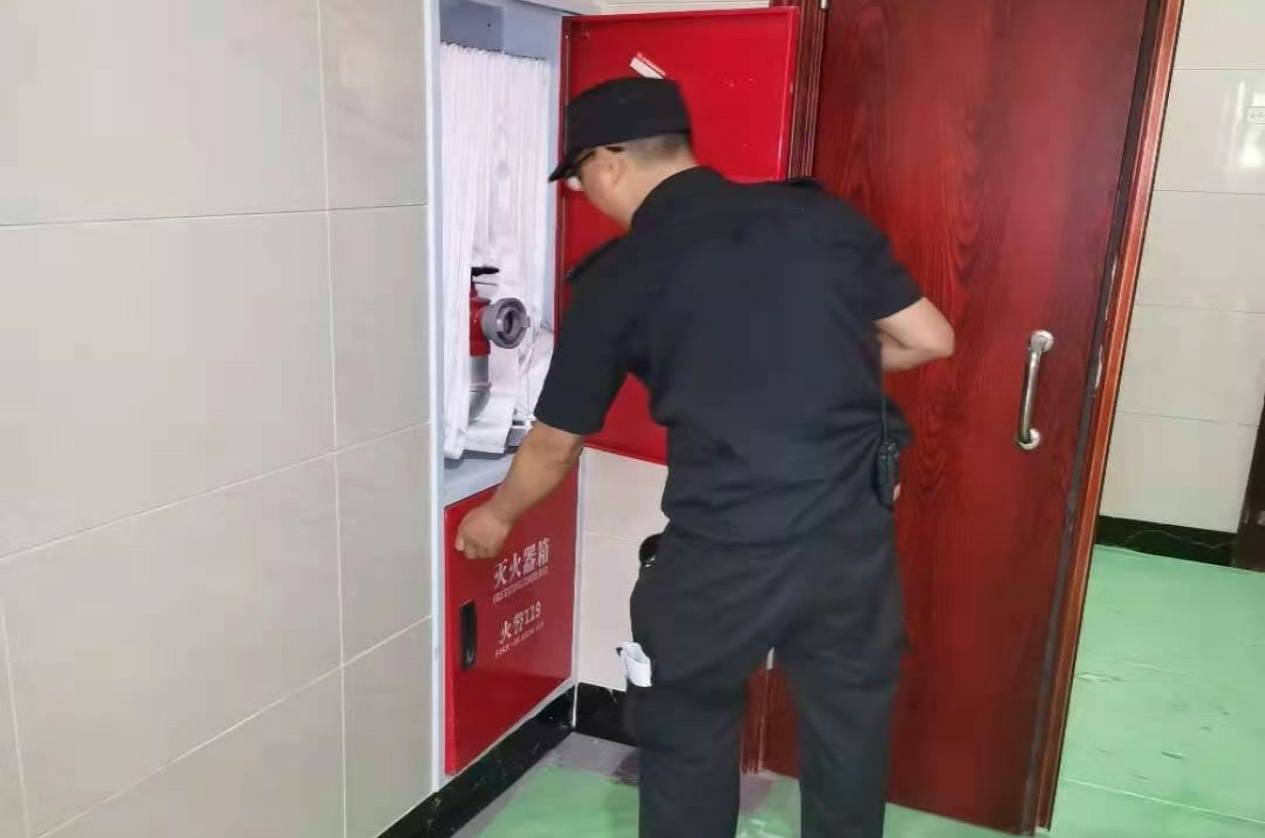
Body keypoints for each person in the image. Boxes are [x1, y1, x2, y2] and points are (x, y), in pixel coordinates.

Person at [456, 77, 954, 838]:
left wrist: (496, 516)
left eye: (580, 177)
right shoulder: (820, 219)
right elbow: (928, 339)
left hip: (723, 549)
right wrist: (816, 357)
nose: (586, 193)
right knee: (848, 729)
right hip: (848, 538)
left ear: (609, 161)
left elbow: (555, 446)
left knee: (686, 733)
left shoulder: (619, 277)